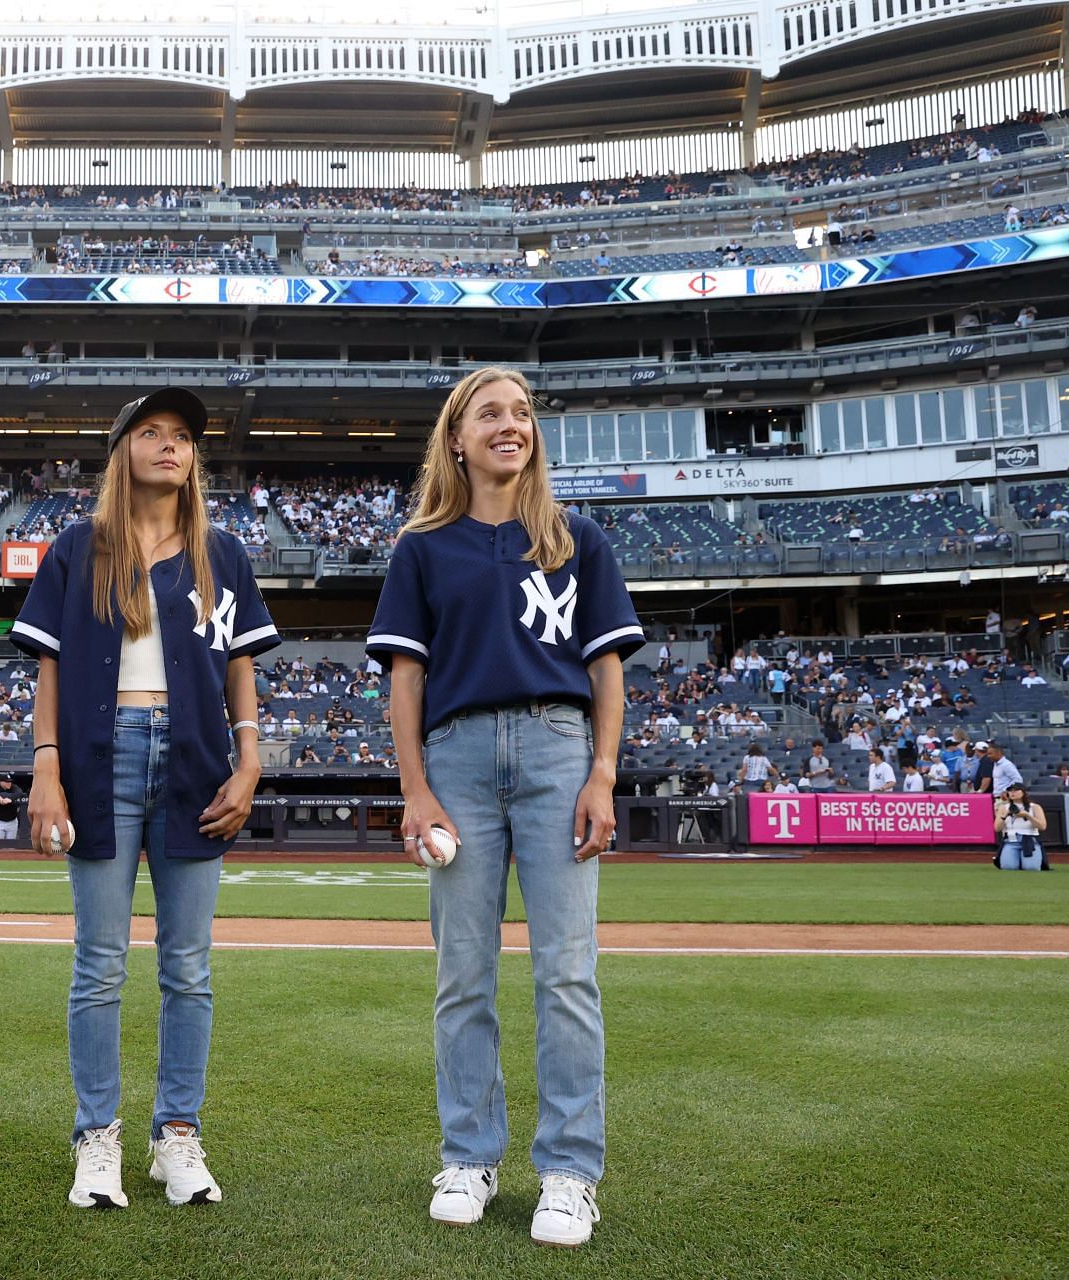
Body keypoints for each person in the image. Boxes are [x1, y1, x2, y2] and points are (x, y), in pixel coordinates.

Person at [366, 366, 642, 1249]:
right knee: (464, 975)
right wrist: (414, 788)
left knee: (566, 969)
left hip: (561, 749)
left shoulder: (576, 539)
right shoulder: (423, 547)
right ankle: (469, 1154)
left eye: (522, 413)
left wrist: (603, 773)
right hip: (457, 755)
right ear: (457, 437)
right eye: (490, 413)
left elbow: (608, 671)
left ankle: (568, 1171)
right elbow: (405, 680)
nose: (510, 424)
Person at [14, 386, 278, 1212]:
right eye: (152, 431)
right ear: (123, 447)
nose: (171, 445)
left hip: (197, 759)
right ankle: (98, 1138)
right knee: (98, 965)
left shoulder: (221, 553)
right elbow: (49, 666)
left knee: (188, 968)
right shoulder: (76, 548)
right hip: (102, 756)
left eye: (183, 436)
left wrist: (250, 756)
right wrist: (45, 766)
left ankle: (178, 1137)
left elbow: (241, 666)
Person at [993, 781, 1048, 870]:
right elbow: (997, 828)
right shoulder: (1004, 808)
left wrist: (1028, 816)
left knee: (1031, 868)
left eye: (1016, 790)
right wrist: (1005, 815)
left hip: (1030, 840)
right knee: (1009, 867)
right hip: (1011, 841)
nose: (1012, 793)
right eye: (1010, 791)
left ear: (1023, 792)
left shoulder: (1034, 807)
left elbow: (1042, 826)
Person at [0, 774, 22, 840]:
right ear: (1, 782)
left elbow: (19, 792)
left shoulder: (13, 787)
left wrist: (10, 799)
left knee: (11, 847)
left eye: (10, 781)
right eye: (7, 782)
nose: (9, 783)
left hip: (12, 822)